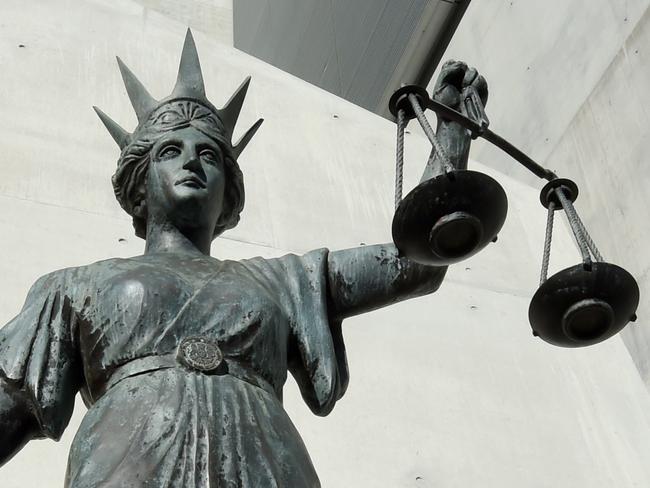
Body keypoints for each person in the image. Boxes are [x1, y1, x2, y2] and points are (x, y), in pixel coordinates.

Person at [0, 30, 487, 487]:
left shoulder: (284, 280)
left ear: (228, 193)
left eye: (209, 155)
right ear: (139, 184)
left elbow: (418, 259)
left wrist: (450, 134)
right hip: (126, 463)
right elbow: (9, 405)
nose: (192, 161)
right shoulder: (72, 287)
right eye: (171, 151)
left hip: (266, 466)